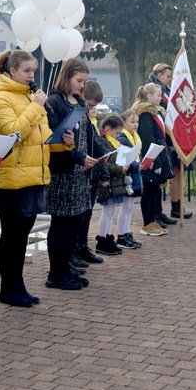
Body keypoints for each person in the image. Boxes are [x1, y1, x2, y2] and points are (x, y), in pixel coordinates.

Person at [0, 49, 51, 302]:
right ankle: (8, 288)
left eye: (33, 70)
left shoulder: (29, 97)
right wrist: (36, 107)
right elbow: (14, 132)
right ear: (11, 71)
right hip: (12, 175)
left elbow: (40, 136)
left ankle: (18, 286)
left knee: (23, 234)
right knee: (12, 235)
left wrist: (62, 140)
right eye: (26, 71)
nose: (31, 75)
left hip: (34, 173)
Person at [44, 58, 101, 288]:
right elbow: (54, 140)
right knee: (61, 223)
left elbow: (88, 136)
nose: (81, 86)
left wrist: (101, 155)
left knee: (75, 222)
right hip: (63, 172)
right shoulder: (54, 102)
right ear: (66, 77)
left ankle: (66, 266)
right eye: (79, 80)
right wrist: (77, 156)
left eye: (84, 81)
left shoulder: (78, 102)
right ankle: (56, 273)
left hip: (80, 172)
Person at [149, 63, 192, 220]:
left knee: (179, 171)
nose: (170, 79)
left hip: (176, 136)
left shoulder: (169, 90)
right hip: (167, 138)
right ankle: (173, 206)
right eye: (168, 76)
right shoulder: (155, 90)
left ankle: (179, 204)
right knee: (173, 171)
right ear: (159, 75)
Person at [78, 80, 111, 261]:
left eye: (95, 106)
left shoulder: (90, 121)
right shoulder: (81, 117)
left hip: (94, 171)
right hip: (85, 170)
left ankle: (83, 247)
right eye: (91, 105)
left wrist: (104, 154)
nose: (93, 109)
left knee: (88, 212)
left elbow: (95, 143)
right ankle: (77, 249)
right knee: (81, 214)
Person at [135, 83, 173, 236]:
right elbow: (147, 139)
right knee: (149, 192)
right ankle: (147, 223)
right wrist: (154, 161)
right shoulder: (145, 114)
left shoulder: (156, 112)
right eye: (157, 95)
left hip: (158, 157)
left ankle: (152, 222)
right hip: (150, 161)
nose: (160, 98)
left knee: (155, 192)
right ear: (149, 96)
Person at [95, 113, 133, 255]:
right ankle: (102, 239)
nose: (118, 135)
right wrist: (119, 168)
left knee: (110, 211)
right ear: (108, 128)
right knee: (107, 211)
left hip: (114, 181)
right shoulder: (103, 142)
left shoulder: (114, 142)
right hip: (107, 181)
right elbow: (105, 163)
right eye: (117, 132)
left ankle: (107, 237)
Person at [116, 109, 145, 247]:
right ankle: (121, 235)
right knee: (125, 207)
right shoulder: (123, 138)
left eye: (137, 122)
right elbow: (124, 157)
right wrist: (136, 165)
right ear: (123, 123)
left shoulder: (134, 137)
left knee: (129, 207)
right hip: (128, 176)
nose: (136, 125)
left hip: (134, 175)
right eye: (132, 122)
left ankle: (126, 233)